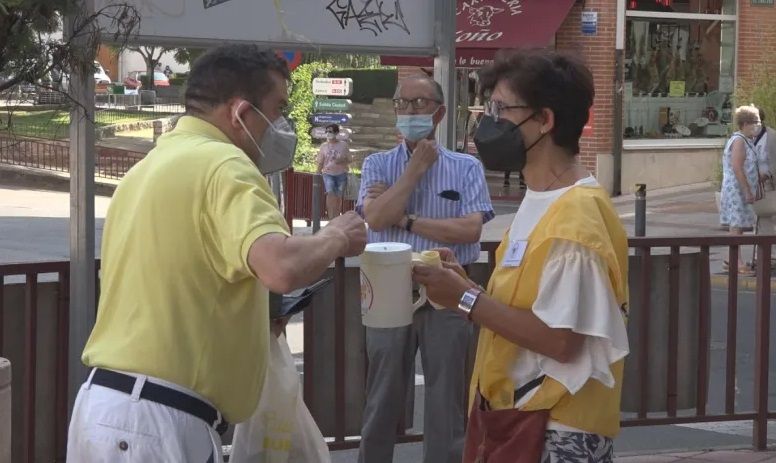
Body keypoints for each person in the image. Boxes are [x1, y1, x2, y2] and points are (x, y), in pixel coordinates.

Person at [66, 44, 366, 462]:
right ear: (242, 113)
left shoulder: (151, 166)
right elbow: (279, 266)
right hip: (160, 420)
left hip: (108, 411)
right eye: (277, 110)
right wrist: (338, 235)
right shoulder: (226, 164)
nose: (280, 125)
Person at [413, 49, 630, 462]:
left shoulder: (576, 216)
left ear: (545, 120)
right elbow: (532, 309)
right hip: (517, 419)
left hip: (555, 430)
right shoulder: (543, 198)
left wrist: (465, 298)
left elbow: (560, 340)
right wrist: (463, 286)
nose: (489, 121)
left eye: (501, 108)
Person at [356, 74, 494, 463]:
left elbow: (469, 228)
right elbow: (377, 218)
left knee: (446, 396)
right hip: (387, 286)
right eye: (403, 103)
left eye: (420, 103)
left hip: (448, 285)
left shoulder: (465, 167)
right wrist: (414, 170)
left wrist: (409, 219)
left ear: (439, 112)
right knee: (381, 393)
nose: (410, 111)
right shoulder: (378, 164)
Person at [720, 105, 762, 274]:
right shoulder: (739, 141)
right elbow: (737, 167)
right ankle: (736, 262)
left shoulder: (745, 140)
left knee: (737, 227)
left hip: (737, 189)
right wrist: (746, 190)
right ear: (745, 123)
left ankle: (732, 260)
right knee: (736, 227)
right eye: (755, 122)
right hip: (736, 190)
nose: (758, 126)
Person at [316, 123, 352, 218]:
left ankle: (336, 217)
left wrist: (342, 160)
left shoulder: (343, 145)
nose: (328, 133)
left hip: (341, 174)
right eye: (327, 131)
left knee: (338, 197)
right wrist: (317, 174)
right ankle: (331, 218)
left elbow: (349, 159)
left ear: (336, 133)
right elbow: (320, 161)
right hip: (328, 173)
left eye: (330, 131)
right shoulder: (323, 146)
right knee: (330, 194)